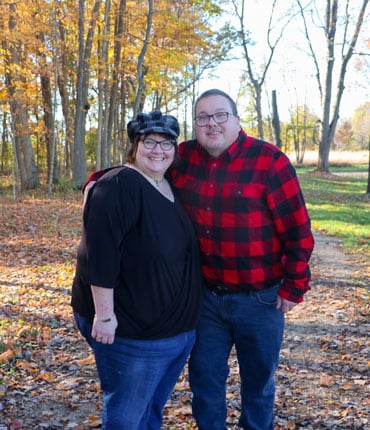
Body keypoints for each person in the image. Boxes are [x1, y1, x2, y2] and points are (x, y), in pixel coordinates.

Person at [84, 89, 315, 430]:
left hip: (260, 299)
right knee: (206, 384)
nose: (212, 123)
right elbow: (143, 164)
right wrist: (96, 182)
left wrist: (294, 286)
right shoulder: (185, 156)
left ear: (236, 120)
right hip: (205, 299)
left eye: (220, 115)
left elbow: (298, 231)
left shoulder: (269, 161)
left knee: (259, 385)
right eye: (203, 117)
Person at [71, 111, 203, 430]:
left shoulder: (165, 183)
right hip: (132, 335)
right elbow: (97, 256)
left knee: (150, 410)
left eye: (167, 143)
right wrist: (104, 316)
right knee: (127, 417)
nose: (158, 150)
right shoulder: (118, 185)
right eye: (149, 141)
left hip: (175, 332)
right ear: (134, 145)